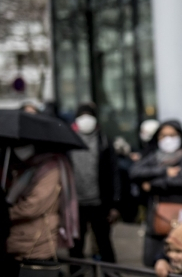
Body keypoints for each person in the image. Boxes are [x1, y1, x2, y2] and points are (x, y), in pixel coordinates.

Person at [129, 120, 182, 267]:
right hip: (156, 215)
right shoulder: (154, 157)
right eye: (163, 136)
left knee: (180, 260)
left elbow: (181, 182)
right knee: (152, 260)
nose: (168, 140)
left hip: (180, 214)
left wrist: (152, 184)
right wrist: (164, 171)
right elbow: (134, 172)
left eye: (172, 135)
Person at [4, 145, 78, 274]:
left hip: (36, 239)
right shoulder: (29, 167)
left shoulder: (50, 169)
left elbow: (34, 206)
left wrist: (7, 213)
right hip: (21, 238)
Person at [69, 102, 120, 264]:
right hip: (76, 204)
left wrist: (115, 204)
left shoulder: (103, 140)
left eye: (89, 115)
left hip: (100, 203)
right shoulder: (69, 140)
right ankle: (76, 273)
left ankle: (109, 273)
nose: (86, 120)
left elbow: (114, 173)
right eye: (82, 116)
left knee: (104, 242)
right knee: (76, 245)